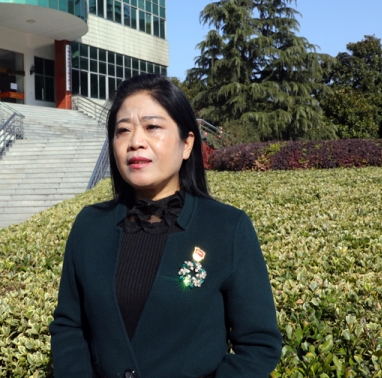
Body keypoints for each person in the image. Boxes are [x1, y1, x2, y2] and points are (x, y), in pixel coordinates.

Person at [49, 74, 282, 378]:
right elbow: (69, 326)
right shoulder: (90, 226)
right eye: (123, 130)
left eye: (152, 127)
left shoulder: (227, 228)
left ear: (187, 144)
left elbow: (259, 344)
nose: (135, 141)